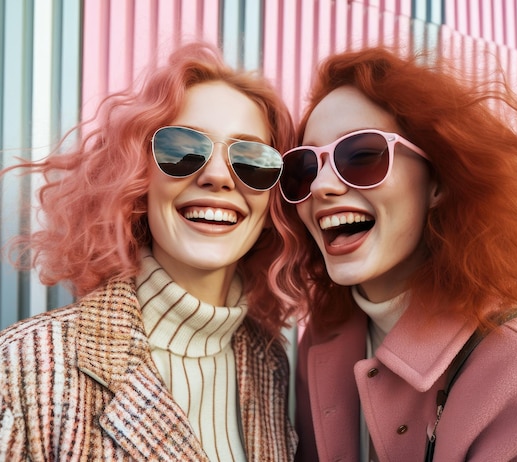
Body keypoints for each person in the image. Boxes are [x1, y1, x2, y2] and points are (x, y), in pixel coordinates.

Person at [273, 46, 517, 461]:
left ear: (438, 183)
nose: (321, 187)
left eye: (361, 156)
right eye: (304, 168)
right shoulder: (326, 337)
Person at [0, 41, 297, 461]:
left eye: (251, 159)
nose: (217, 176)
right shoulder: (22, 366)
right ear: (139, 179)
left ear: (272, 205)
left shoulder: (270, 366)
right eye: (182, 149)